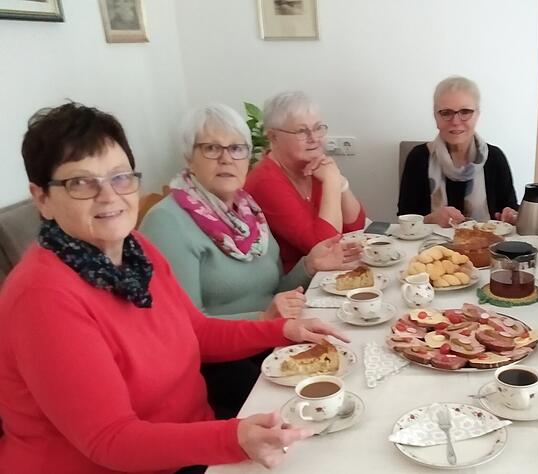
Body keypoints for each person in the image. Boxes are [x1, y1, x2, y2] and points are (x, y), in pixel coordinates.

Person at [0, 102, 350, 474]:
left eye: (120, 177)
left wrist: (280, 330)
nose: (109, 196)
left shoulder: (136, 250)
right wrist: (229, 439)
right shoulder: (43, 297)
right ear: (42, 199)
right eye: (81, 183)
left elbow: (196, 331)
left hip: (190, 439)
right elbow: (110, 439)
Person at [140, 103, 360, 418]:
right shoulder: (168, 222)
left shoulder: (247, 211)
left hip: (268, 341)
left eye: (237, 148)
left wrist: (309, 266)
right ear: (189, 157)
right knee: (316, 407)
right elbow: (181, 331)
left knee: (350, 364)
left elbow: (272, 290)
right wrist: (262, 318)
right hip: (217, 367)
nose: (227, 158)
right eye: (212, 148)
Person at [245, 91, 366, 272]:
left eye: (318, 128)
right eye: (302, 131)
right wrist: (331, 181)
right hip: (294, 287)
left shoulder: (312, 167)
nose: (314, 138)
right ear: (273, 137)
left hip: (324, 277)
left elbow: (355, 225)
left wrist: (340, 183)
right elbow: (324, 247)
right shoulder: (265, 181)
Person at [397, 76, 519, 227]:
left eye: (465, 111)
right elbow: (404, 217)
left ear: (477, 115)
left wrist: (512, 215)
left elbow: (510, 209)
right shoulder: (418, 158)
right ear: (436, 117)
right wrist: (431, 219)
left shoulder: (495, 157)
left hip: (485, 247)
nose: (455, 121)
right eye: (446, 113)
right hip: (432, 248)